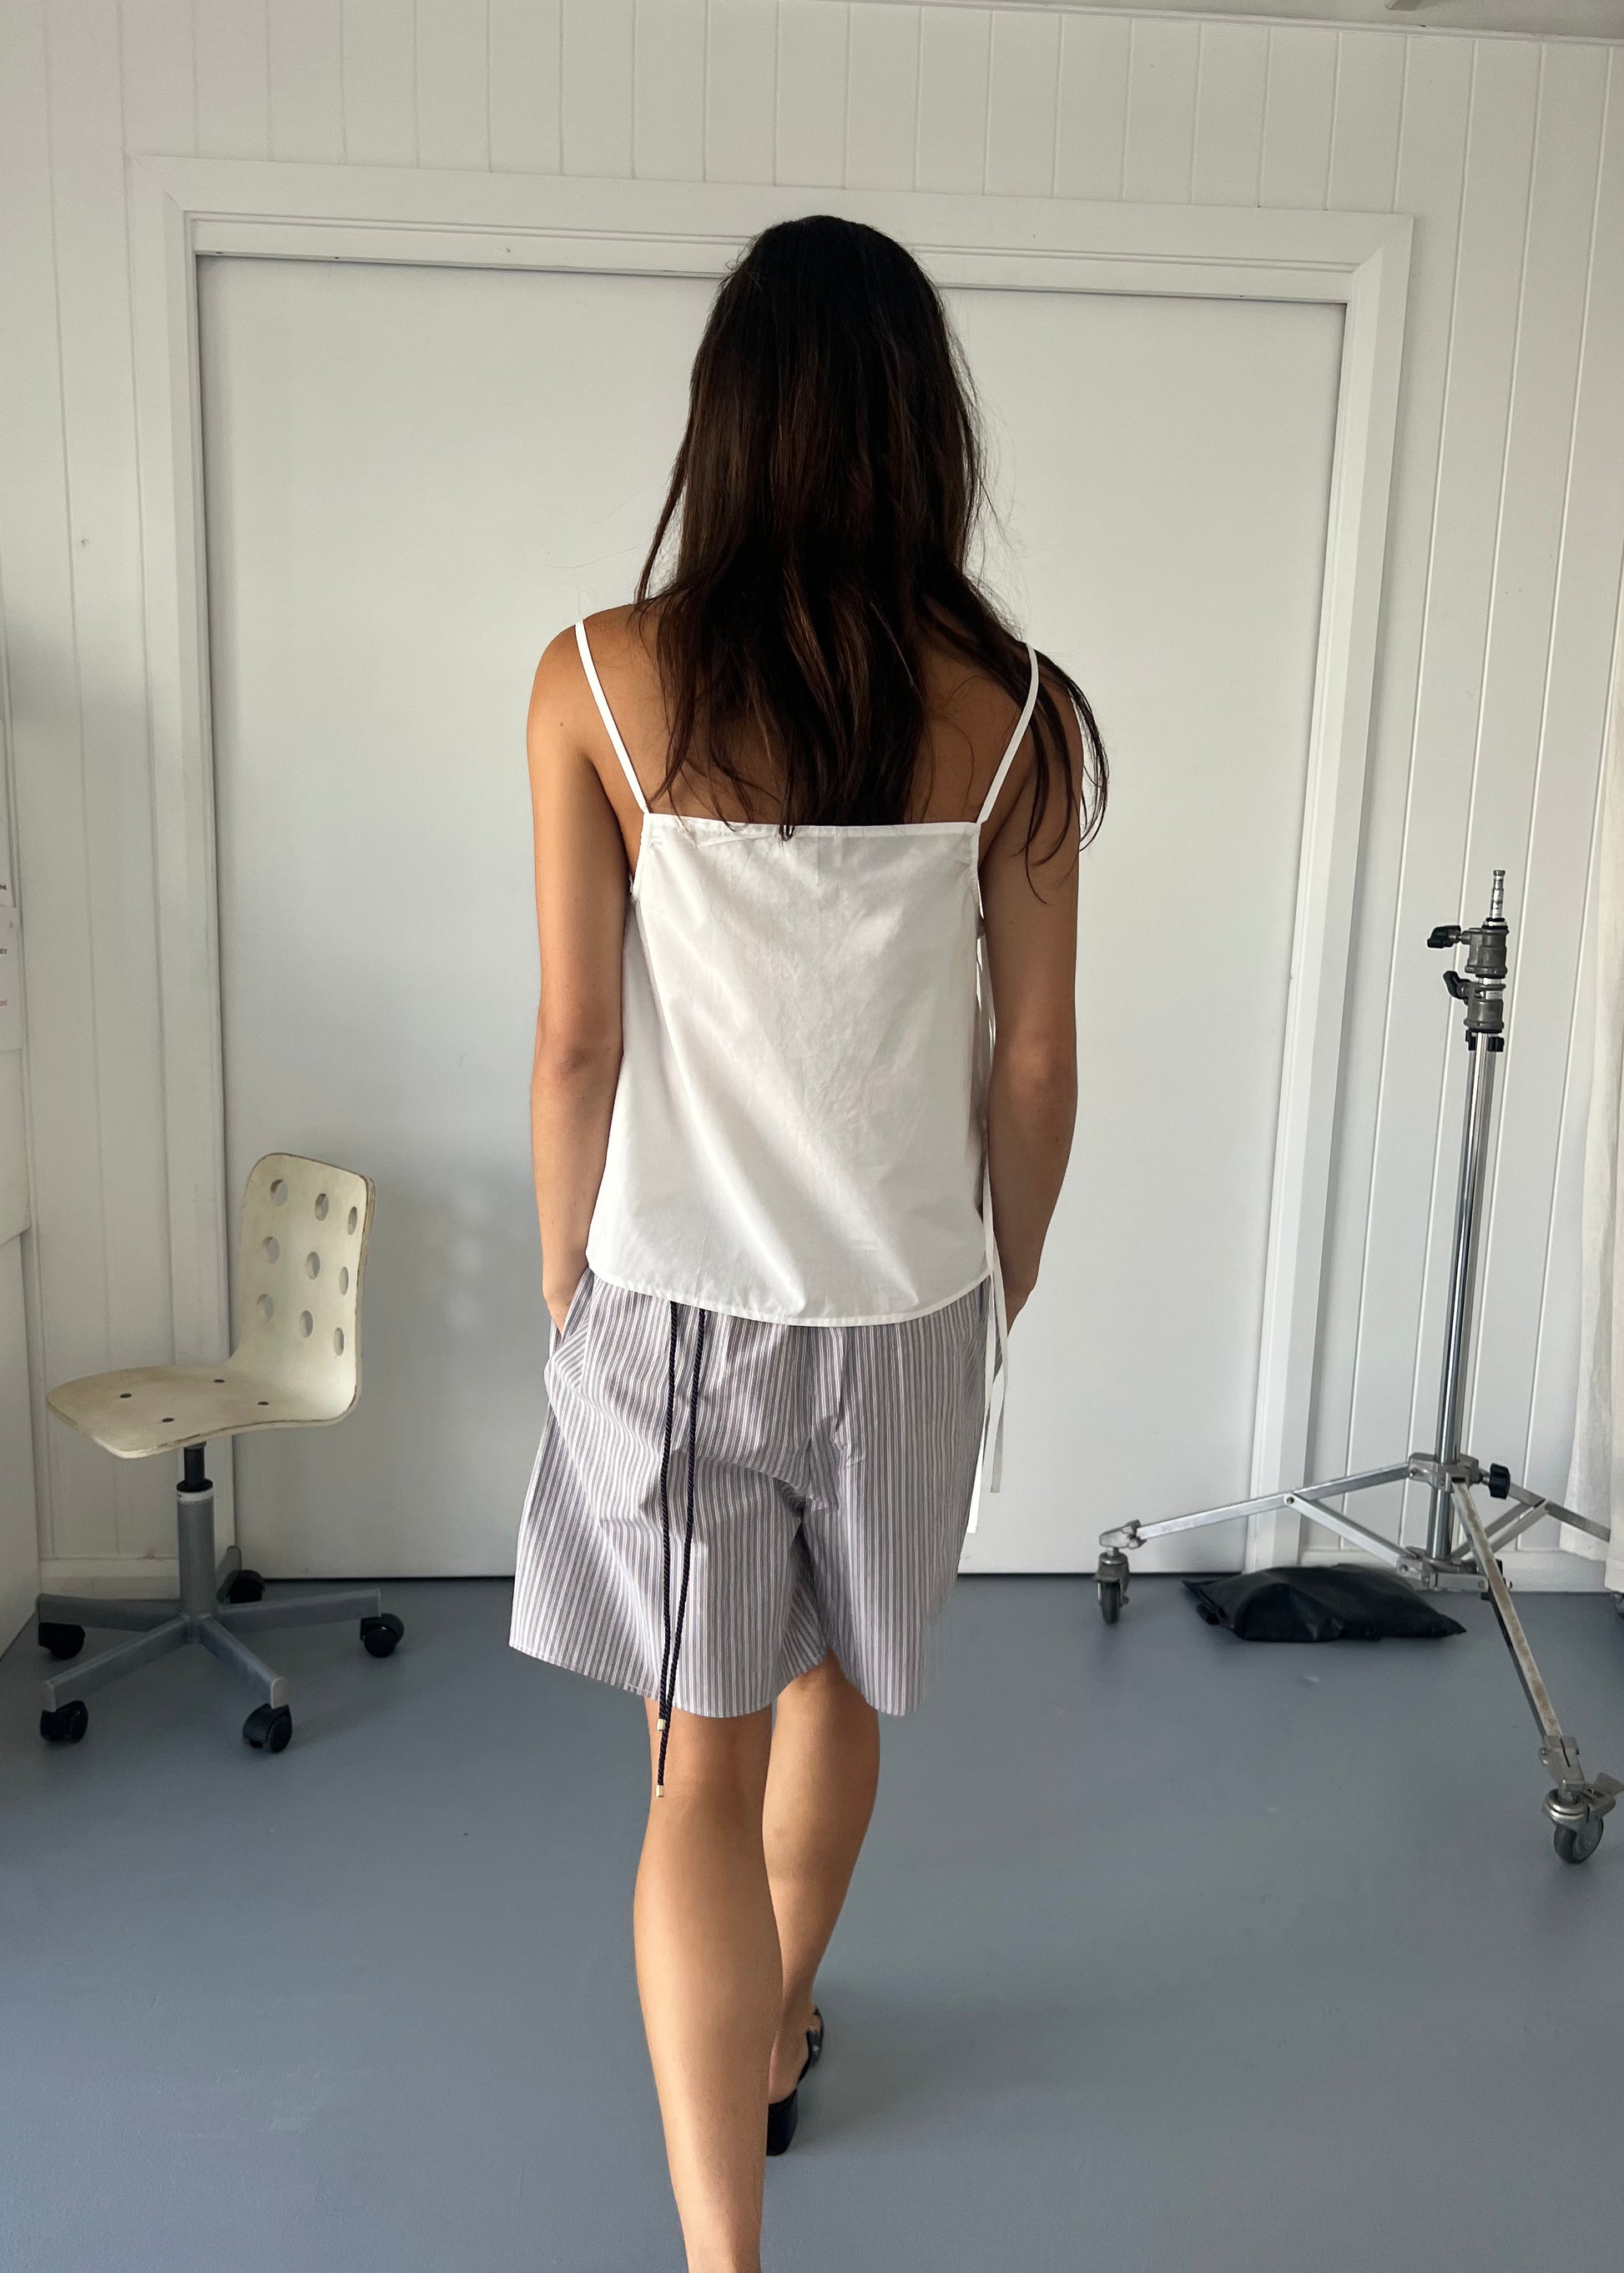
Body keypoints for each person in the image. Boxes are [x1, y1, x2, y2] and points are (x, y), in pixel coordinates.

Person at [510, 214, 1106, 2273]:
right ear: (925, 431)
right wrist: (1001, 1282)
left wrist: (570, 1288)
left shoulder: (597, 681)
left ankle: (723, 2254)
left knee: (694, 1777)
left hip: (677, 1304)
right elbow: (1037, 1064)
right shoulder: (1016, 715)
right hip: (908, 1307)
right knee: (844, 1689)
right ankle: (774, 2030)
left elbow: (576, 1041)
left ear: (730, 420)